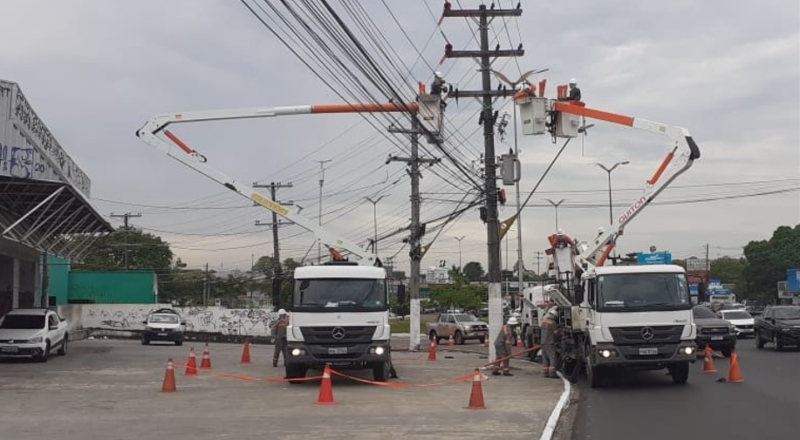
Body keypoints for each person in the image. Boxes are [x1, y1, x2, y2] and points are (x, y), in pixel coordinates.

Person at [540, 301, 560, 379]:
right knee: (552, 357)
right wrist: (559, 333)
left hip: (543, 341)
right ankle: (552, 373)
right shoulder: (553, 322)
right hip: (550, 342)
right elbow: (555, 333)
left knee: (545, 357)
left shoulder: (543, 321)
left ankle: (545, 372)